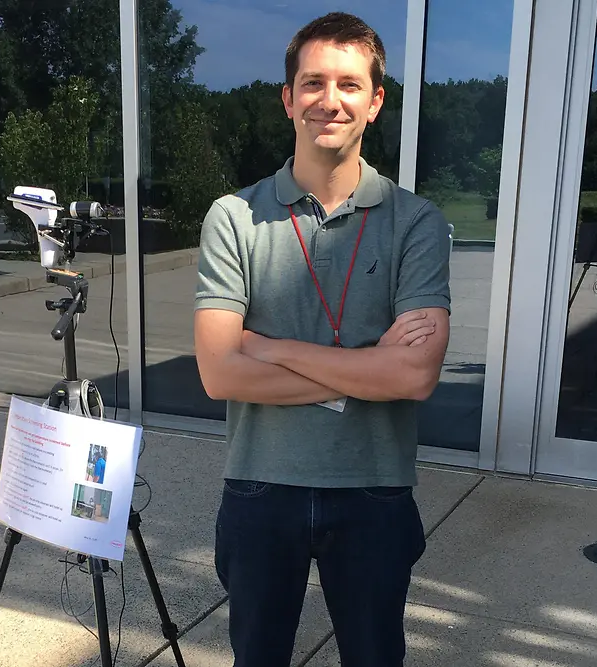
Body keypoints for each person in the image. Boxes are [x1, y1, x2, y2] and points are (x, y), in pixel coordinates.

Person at [193, 11, 451, 667]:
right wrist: (368, 366)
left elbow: (415, 375)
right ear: (288, 98)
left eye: (348, 84)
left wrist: (268, 346)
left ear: (375, 102)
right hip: (260, 484)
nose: (329, 100)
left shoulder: (416, 222)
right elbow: (220, 373)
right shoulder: (234, 217)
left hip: (374, 488)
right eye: (312, 83)